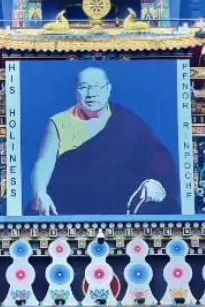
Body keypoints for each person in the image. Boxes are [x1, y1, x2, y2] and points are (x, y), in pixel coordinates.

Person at [28, 65, 178, 216]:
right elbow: (44, 162)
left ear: (108, 89)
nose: (91, 93)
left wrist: (156, 182)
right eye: (84, 87)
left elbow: (157, 155)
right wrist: (39, 192)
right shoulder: (59, 122)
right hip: (72, 203)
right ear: (75, 91)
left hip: (118, 202)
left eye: (97, 86)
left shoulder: (127, 120)